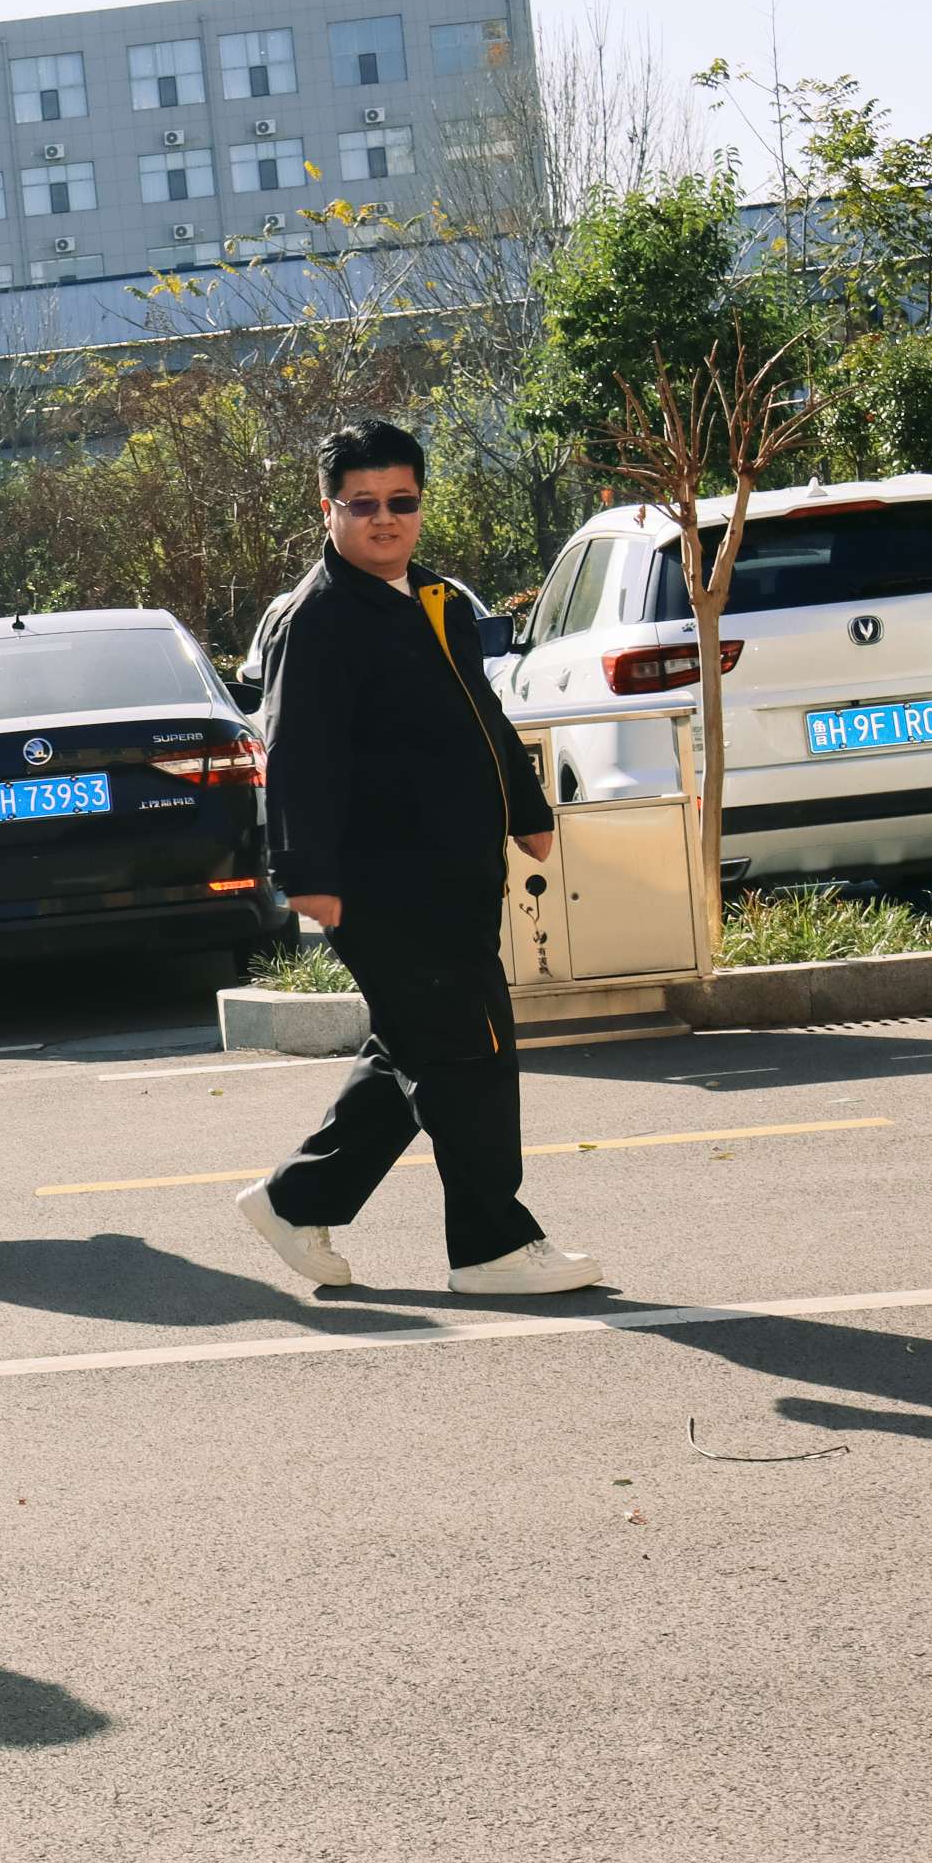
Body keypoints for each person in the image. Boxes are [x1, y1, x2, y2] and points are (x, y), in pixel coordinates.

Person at [235, 419, 601, 1296]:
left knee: (419, 1045)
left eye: (400, 502)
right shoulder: (317, 621)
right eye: (362, 505)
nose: (384, 520)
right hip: (384, 883)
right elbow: (299, 754)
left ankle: (297, 1200)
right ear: (329, 509)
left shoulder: (434, 599)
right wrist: (308, 876)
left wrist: (526, 810)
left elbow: (483, 717)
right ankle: (491, 1246)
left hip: (453, 872)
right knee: (471, 1049)